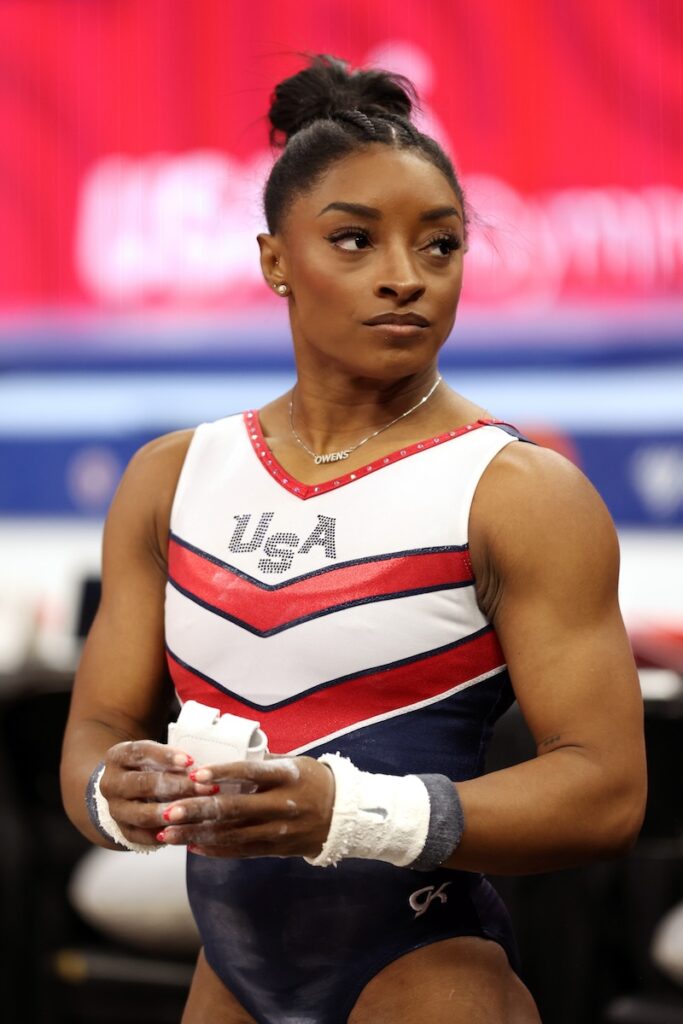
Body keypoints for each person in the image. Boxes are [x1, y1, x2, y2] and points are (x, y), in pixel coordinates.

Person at [61, 55, 647, 1024]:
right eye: (353, 241)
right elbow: (90, 737)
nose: (403, 279)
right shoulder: (170, 479)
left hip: (425, 976)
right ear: (273, 258)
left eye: (439, 246)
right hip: (233, 979)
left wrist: (346, 812)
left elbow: (606, 792)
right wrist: (111, 793)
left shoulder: (515, 492)